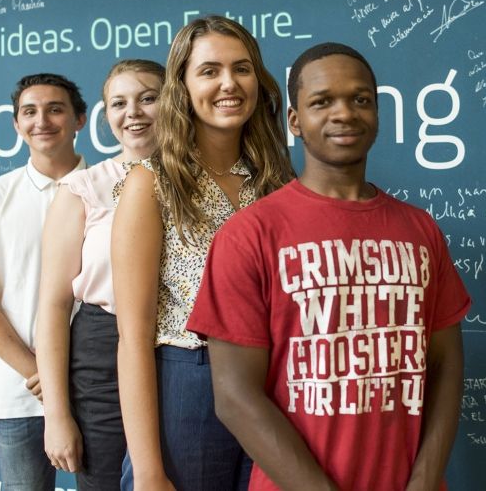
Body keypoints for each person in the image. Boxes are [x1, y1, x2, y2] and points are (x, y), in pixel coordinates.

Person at [188, 43, 471, 491]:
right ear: (295, 122)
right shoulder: (250, 236)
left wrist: (425, 479)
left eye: (361, 100)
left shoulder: (420, 230)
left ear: (379, 114)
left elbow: (445, 367)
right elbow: (235, 397)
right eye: (322, 101)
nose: (345, 113)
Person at [111, 16, 292, 491]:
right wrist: (149, 470)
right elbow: (132, 338)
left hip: (274, 384)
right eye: (209, 70)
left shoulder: (277, 183)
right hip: (189, 385)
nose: (229, 83)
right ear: (183, 85)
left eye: (242, 68)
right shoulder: (150, 183)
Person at [36, 60, 165, 490]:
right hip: (102, 356)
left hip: (186, 351)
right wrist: (57, 414)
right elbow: (53, 306)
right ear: (105, 115)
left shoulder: (204, 181)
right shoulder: (83, 188)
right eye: (119, 103)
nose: (134, 113)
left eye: (148, 98)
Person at [0, 73, 88, 491]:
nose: (41, 121)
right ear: (15, 124)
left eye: (55, 109)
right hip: (20, 392)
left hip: (98, 386)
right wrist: (41, 374)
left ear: (80, 119)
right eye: (29, 112)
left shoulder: (110, 188)